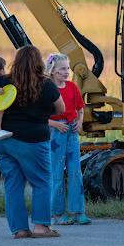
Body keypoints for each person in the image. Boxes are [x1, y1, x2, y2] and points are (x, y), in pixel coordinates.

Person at [0, 45, 65, 239]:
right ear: (38, 63)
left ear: (16, 62)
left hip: (4, 141)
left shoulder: (4, 81)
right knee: (41, 182)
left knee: (13, 183)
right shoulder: (46, 84)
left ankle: (19, 230)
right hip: (33, 142)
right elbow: (61, 109)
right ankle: (41, 227)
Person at [45, 53, 91, 225]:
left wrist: (79, 122)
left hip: (71, 131)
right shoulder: (47, 89)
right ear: (52, 71)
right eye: (62, 69)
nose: (66, 72)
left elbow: (80, 108)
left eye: (67, 69)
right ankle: (57, 214)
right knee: (56, 172)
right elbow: (40, 116)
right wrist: (55, 125)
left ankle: (78, 211)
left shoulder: (72, 87)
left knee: (75, 171)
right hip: (55, 132)